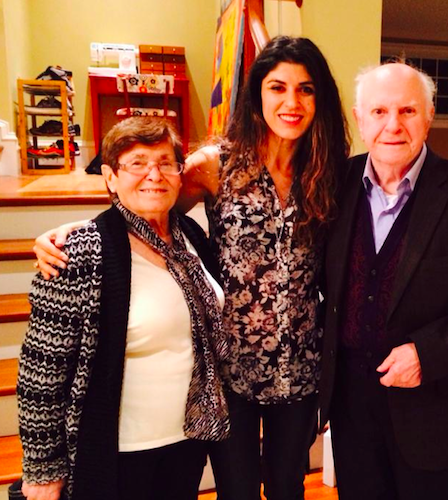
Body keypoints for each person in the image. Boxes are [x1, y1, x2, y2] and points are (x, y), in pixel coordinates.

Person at [33, 36, 349, 500]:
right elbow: (145, 211)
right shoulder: (215, 164)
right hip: (227, 370)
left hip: (300, 365)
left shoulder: (328, 170)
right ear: (257, 94)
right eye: (278, 87)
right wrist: (78, 231)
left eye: (306, 89)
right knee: (237, 491)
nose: (292, 102)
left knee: (288, 488)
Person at [318, 62, 448, 500]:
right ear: (359, 119)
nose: (393, 125)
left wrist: (428, 353)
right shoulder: (334, 185)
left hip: (444, 417)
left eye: (407, 111)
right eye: (379, 112)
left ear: (428, 117)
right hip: (353, 413)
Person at [17, 117, 229, 500]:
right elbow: (41, 373)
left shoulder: (190, 237)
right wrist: (43, 469)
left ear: (180, 174)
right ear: (110, 177)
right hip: (117, 454)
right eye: (137, 163)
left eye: (165, 163)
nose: (154, 175)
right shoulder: (79, 254)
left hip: (187, 440)